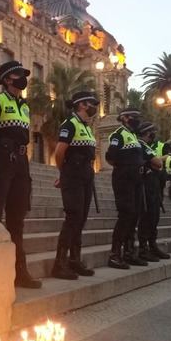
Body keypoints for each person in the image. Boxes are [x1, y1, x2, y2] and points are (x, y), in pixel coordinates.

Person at [0, 60, 41, 289]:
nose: (24, 79)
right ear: (7, 79)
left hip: (22, 162)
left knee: (17, 220)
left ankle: (19, 272)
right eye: (19, 75)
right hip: (3, 159)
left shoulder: (24, 106)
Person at [51, 91, 99, 280]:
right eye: (90, 103)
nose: (93, 106)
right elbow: (59, 152)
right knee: (73, 217)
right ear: (81, 105)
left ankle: (74, 260)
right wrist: (63, 173)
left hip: (86, 175)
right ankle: (59, 263)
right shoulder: (69, 124)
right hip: (73, 174)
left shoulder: (86, 127)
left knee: (81, 219)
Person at [106, 107, 147, 269]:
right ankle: (115, 254)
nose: (137, 120)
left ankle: (129, 253)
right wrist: (125, 169)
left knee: (135, 215)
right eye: (133, 117)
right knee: (126, 214)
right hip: (124, 180)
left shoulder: (134, 137)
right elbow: (110, 157)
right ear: (124, 118)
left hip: (136, 181)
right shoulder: (118, 135)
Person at [137, 122, 171, 261]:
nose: (153, 134)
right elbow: (157, 163)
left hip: (154, 184)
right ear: (147, 133)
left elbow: (157, 165)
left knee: (154, 216)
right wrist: (157, 162)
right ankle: (144, 249)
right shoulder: (141, 144)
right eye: (152, 132)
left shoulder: (146, 146)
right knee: (147, 217)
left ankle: (152, 245)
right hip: (146, 185)